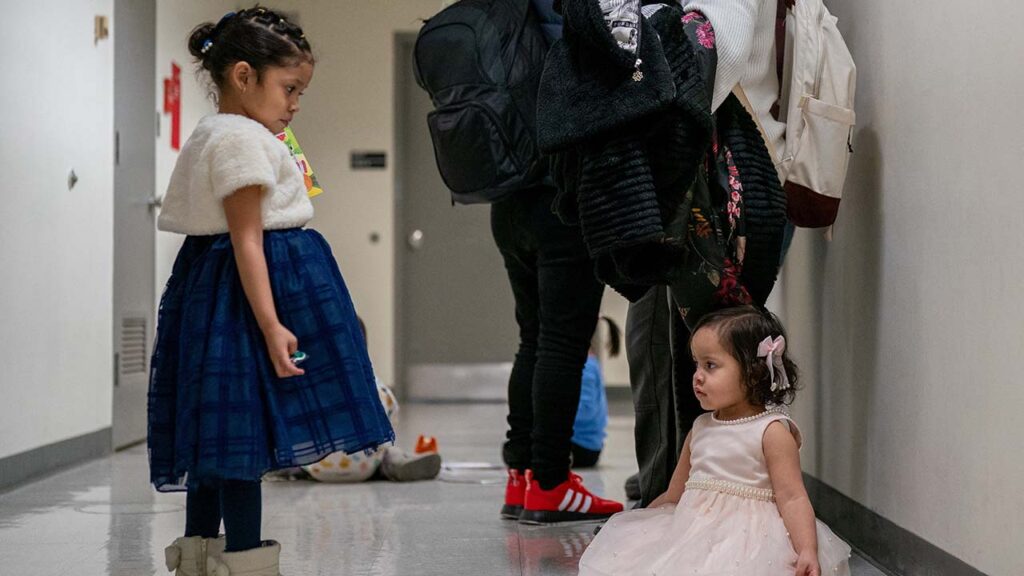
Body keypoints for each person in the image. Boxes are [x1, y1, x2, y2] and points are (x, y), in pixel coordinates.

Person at [148, 8, 394, 575]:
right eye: (289, 89)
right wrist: (271, 323)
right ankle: (244, 559)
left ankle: (200, 554)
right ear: (242, 76)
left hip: (220, 296)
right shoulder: (240, 141)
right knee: (242, 440)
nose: (294, 104)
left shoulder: (223, 132)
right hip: (246, 301)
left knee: (218, 436)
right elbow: (247, 240)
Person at [578, 306, 852, 576]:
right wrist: (638, 531)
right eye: (696, 364)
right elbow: (674, 494)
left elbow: (792, 497)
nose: (697, 375)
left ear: (753, 372)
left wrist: (806, 549)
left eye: (710, 365)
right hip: (693, 532)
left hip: (751, 541)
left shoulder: (772, 432)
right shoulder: (700, 427)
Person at [569, 316, 621, 469]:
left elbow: (585, 411)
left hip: (581, 447)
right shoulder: (590, 364)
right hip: (586, 447)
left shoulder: (585, 367)